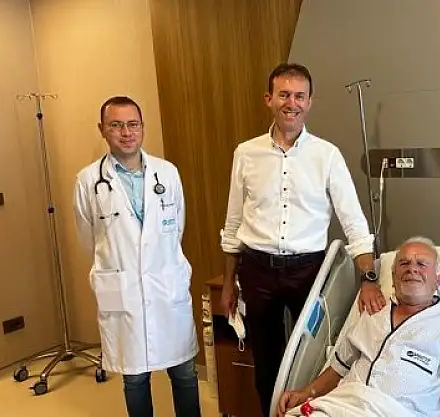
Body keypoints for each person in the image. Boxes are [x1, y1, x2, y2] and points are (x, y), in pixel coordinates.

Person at [220, 62, 386, 416]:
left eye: (299, 96)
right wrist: (229, 283)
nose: (291, 103)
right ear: (268, 99)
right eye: (283, 95)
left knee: (313, 359)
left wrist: (368, 278)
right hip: (257, 270)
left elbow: (354, 223)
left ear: (310, 102)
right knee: (266, 363)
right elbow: (233, 224)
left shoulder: (326, 155)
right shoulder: (246, 154)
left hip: (308, 272)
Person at [73, 96, 201, 417]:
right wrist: (121, 263)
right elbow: (89, 238)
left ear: (143, 127)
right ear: (102, 129)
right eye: (116, 125)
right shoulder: (88, 180)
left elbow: (177, 226)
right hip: (123, 291)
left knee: (184, 373)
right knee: (134, 378)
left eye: (133, 124)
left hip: (166, 286)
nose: (126, 132)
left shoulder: (167, 173)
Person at [277, 237, 440, 417]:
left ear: (437, 280)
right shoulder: (374, 311)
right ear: (393, 277)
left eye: (421, 264)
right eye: (404, 263)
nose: (412, 269)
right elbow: (339, 365)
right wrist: (307, 392)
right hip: (342, 406)